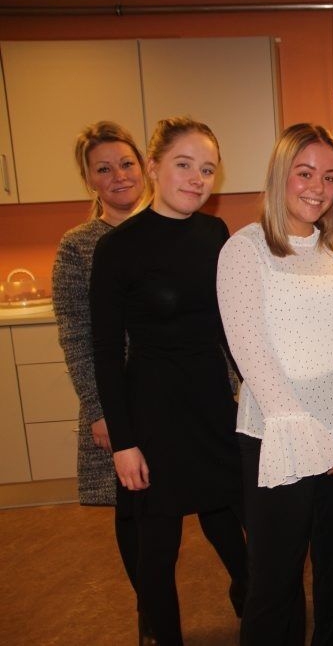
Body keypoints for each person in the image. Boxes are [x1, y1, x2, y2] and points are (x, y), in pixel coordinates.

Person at [217, 124, 333, 645]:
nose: (317, 187)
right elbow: (251, 350)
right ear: (280, 176)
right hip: (280, 436)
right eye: (304, 173)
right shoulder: (244, 250)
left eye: (329, 176)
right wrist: (309, 433)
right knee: (275, 579)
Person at [91, 117, 248, 645]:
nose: (197, 179)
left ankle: (256, 611)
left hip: (211, 402)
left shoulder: (215, 233)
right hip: (153, 412)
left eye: (207, 169)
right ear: (154, 166)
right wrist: (124, 441)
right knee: (156, 550)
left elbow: (231, 325)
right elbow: (107, 352)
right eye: (184, 165)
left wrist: (255, 387)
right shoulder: (118, 248)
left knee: (232, 522)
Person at [52, 120, 149, 630]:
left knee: (215, 502)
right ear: (90, 180)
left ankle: (247, 593)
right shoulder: (78, 246)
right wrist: (98, 408)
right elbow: (75, 332)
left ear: (145, 166)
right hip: (120, 397)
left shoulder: (170, 226)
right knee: (132, 507)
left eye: (126, 163)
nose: (118, 176)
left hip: (177, 393)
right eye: (104, 169)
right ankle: (150, 610)